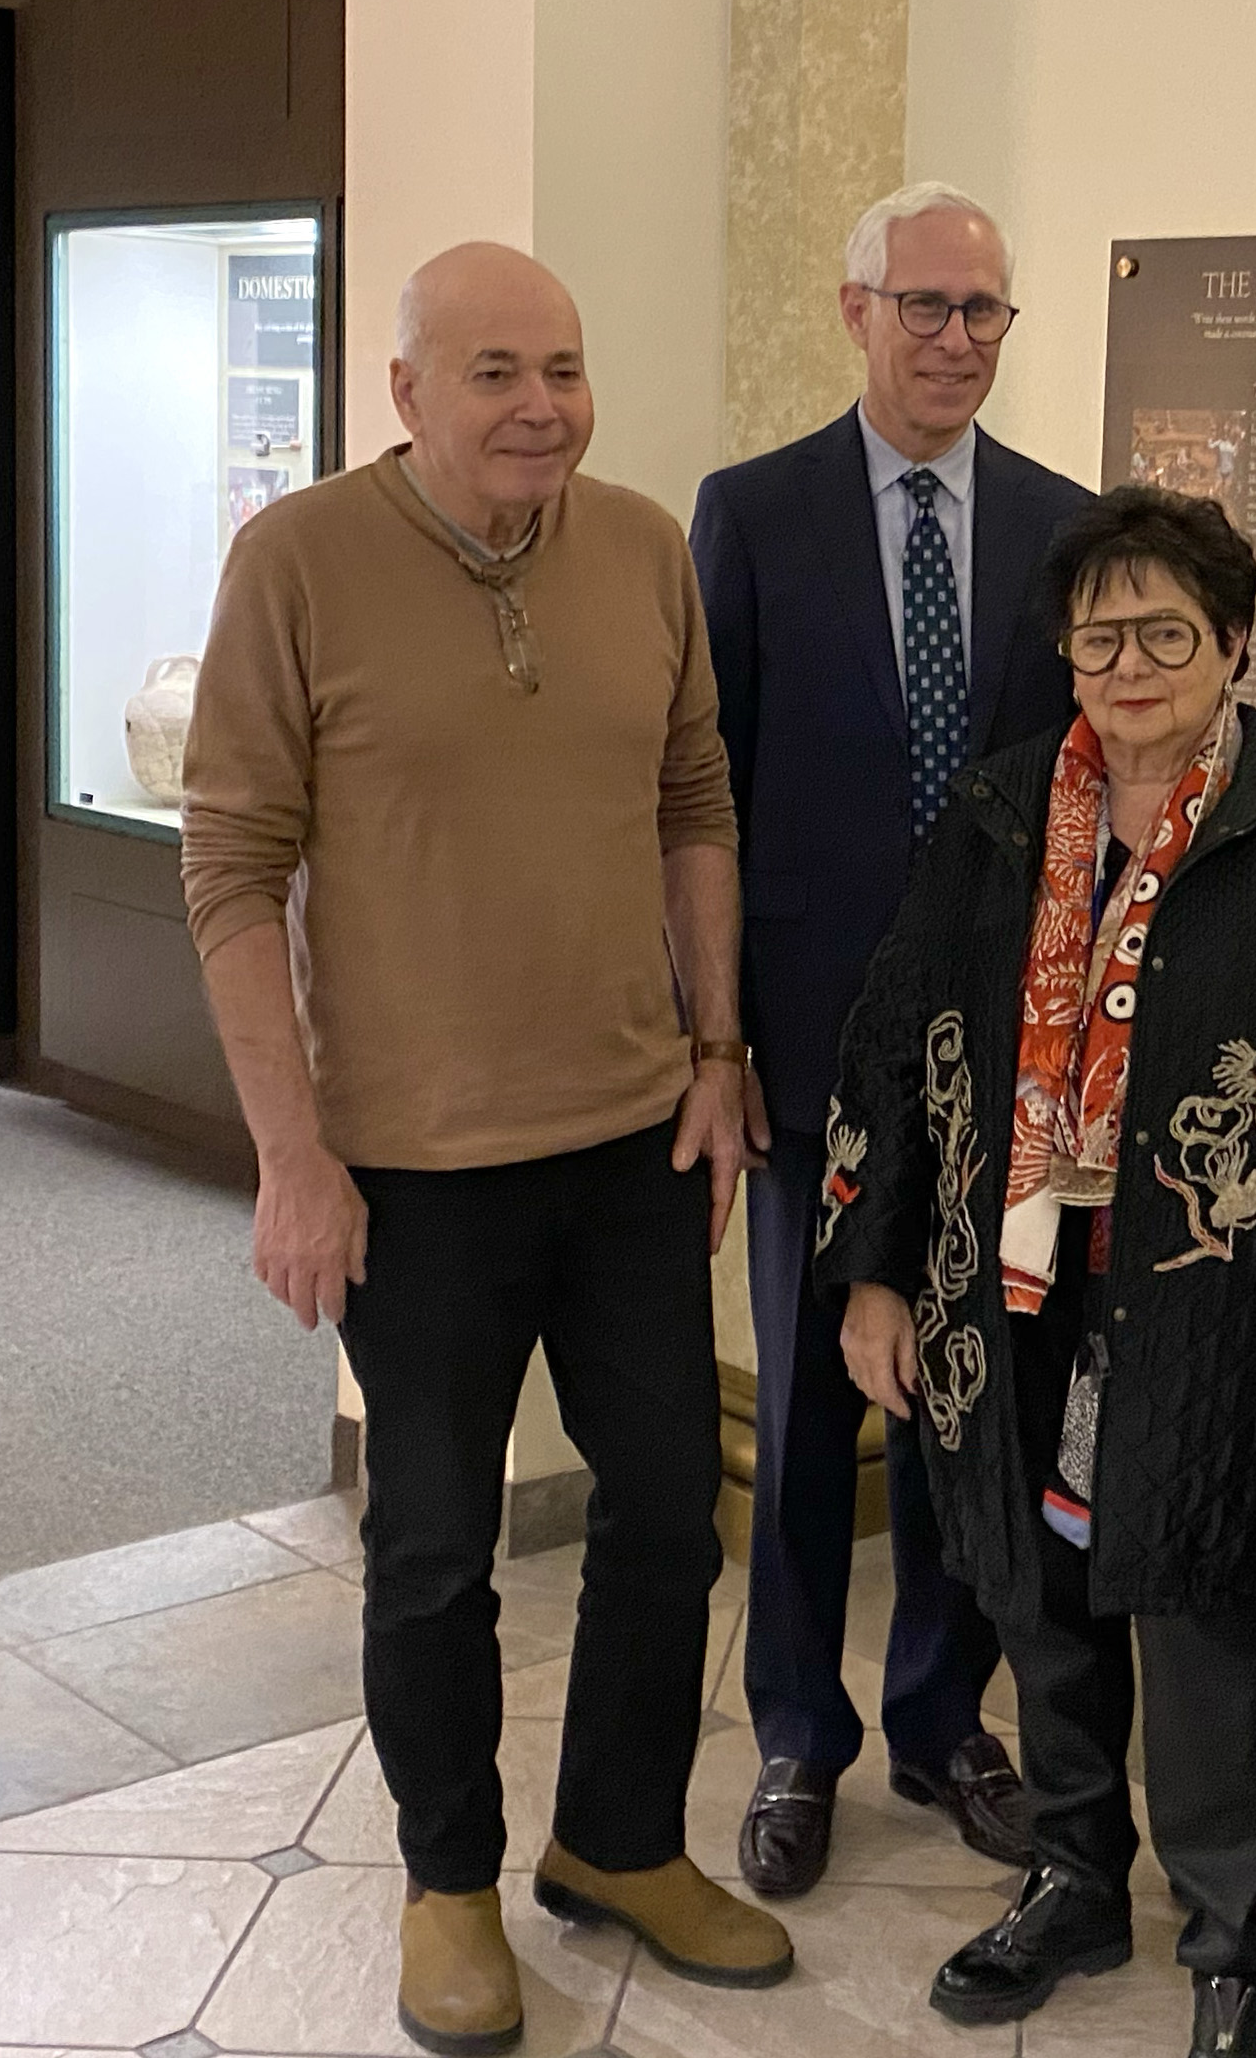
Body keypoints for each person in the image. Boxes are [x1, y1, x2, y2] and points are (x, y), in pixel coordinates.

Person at [182, 242, 792, 2056]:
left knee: (673, 1517)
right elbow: (229, 870)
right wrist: (294, 1158)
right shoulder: (294, 564)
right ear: (405, 394)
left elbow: (694, 803)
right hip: (414, 1173)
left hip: (630, 1141)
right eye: (497, 373)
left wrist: (716, 1050)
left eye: (568, 370)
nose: (543, 406)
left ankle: (616, 1845)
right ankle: (448, 1883)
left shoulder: (642, 548)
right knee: (436, 1548)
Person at [817, 488, 1256, 2058]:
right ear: (1070, 656)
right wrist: (875, 1274)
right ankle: (1077, 1877)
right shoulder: (1001, 812)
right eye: (1103, 633)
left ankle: (1233, 1927)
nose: (1133, 660)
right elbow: (898, 1042)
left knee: (1202, 1599)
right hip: (1006, 1278)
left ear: (1233, 643)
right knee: (1038, 1593)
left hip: (1213, 1292)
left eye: (1170, 629)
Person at [693, 180, 1093, 1897]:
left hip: (1001, 1053)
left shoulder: (1068, 526)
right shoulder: (752, 512)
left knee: (971, 1401)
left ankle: (940, 1718)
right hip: (807, 1044)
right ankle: (799, 1730)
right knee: (803, 1405)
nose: (954, 341)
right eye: (923, 306)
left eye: (984, 313)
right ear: (851, 310)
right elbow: (702, 789)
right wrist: (722, 1036)